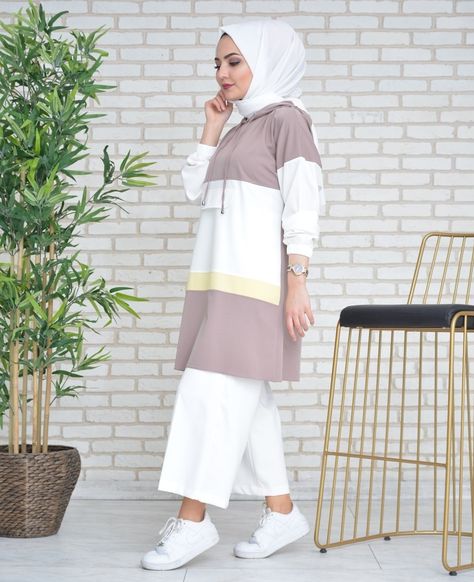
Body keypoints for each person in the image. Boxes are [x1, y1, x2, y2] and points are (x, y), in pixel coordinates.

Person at [141, 17, 325, 571]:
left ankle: (193, 519)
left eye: (234, 61)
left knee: (208, 392)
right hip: (218, 282)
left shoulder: (287, 120)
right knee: (249, 398)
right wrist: (211, 129)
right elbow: (195, 189)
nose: (222, 72)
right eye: (218, 63)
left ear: (265, 62)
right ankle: (282, 511)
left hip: (255, 285)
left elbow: (304, 205)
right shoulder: (242, 125)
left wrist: (297, 283)